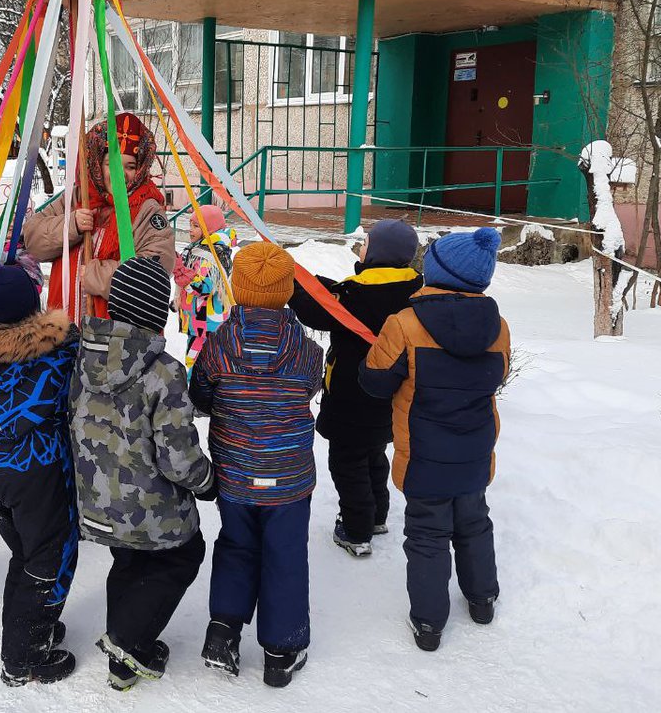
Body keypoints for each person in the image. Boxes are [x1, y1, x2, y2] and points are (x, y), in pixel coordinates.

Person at [359, 227, 510, 653]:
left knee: (427, 535)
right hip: (476, 451)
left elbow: (374, 381)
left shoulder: (404, 324)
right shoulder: (498, 327)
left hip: (424, 454)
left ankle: (429, 623)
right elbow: (495, 376)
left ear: (435, 271)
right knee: (475, 523)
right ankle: (482, 600)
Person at [68, 256, 215, 692]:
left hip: (98, 503)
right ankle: (129, 647)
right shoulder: (165, 372)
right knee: (182, 555)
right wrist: (206, 482)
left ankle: (125, 645)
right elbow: (177, 457)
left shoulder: (82, 356)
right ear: (155, 312)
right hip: (151, 510)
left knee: (128, 558)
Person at [190, 242, 323, 689]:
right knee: (285, 555)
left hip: (235, 475)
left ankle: (223, 633)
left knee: (236, 545)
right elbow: (309, 388)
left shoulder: (219, 345)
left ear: (239, 288)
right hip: (287, 477)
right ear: (285, 290)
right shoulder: (306, 350)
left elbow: (201, 395)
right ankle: (281, 652)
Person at [0, 266, 81, 687]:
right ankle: (23, 657)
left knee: (24, 554)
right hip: (37, 471)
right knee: (47, 556)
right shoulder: (56, 355)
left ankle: (30, 626)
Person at [288, 219, 422, 558]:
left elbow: (317, 310)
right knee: (375, 453)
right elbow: (337, 296)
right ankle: (376, 516)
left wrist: (294, 284)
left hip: (351, 396)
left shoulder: (353, 293)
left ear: (376, 253)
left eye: (365, 243)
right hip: (392, 396)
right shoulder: (416, 291)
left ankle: (357, 528)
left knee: (348, 463)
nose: (361, 247)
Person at [23, 112, 175, 320]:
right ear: (97, 163)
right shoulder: (78, 196)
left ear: (140, 169)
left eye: (130, 166)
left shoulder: (147, 210)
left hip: (115, 342)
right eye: (111, 163)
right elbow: (33, 239)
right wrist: (71, 225)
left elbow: (155, 273)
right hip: (63, 332)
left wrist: (98, 275)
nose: (120, 173)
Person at [174, 204, 237, 369]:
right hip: (197, 322)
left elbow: (204, 288)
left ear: (209, 229)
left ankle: (196, 390)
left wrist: (184, 277)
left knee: (200, 365)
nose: (190, 230)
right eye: (190, 225)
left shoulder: (212, 254)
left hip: (207, 323)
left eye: (196, 226)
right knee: (195, 362)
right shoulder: (195, 249)